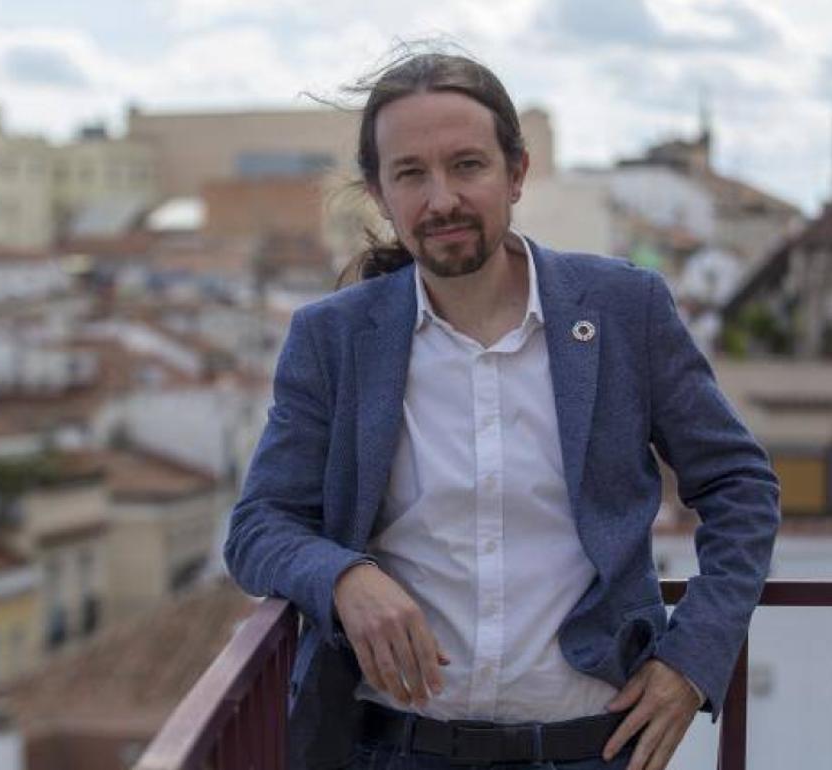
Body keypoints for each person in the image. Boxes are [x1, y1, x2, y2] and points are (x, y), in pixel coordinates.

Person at [225, 50, 780, 770]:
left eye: (467, 166)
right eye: (411, 174)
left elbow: (741, 486)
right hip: (392, 751)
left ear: (516, 173)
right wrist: (342, 578)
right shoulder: (333, 339)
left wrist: (693, 659)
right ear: (380, 194)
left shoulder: (623, 309)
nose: (442, 201)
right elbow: (258, 526)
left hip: (590, 749)